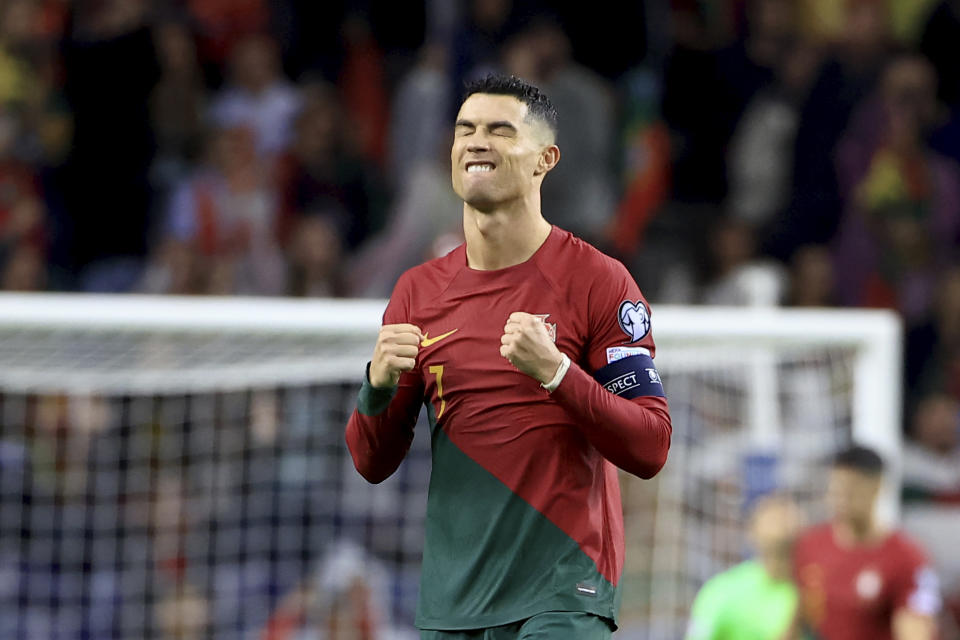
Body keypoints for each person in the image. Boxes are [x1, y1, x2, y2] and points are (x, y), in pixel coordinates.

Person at [345, 74, 672, 638]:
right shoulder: (417, 293)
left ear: (545, 159)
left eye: (500, 130)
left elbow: (650, 444)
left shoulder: (597, 281)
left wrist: (559, 374)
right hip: (453, 604)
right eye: (465, 130)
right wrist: (375, 386)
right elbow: (372, 464)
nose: (477, 142)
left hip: (563, 594)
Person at [793, 445, 942, 639]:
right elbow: (800, 615)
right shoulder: (811, 546)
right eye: (837, 489)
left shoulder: (907, 556)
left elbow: (915, 628)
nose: (842, 499)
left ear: (878, 487)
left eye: (852, 489)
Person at [686, 495, 805, 640]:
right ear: (752, 532)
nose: (782, 522)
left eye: (784, 516)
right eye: (774, 518)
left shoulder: (813, 589)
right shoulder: (722, 590)